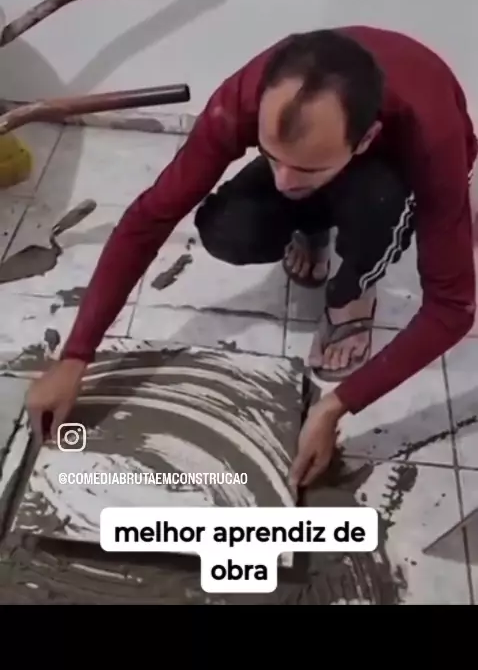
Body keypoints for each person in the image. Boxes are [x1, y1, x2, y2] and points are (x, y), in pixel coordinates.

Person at [26, 26, 477, 488]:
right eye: (271, 156)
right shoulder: (245, 96)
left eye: (305, 168)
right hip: (333, 150)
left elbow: (453, 307)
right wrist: (75, 356)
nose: (282, 183)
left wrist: (336, 404)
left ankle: (355, 290)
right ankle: (314, 221)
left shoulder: (431, 135)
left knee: (376, 203)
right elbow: (149, 218)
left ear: (364, 140)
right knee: (228, 230)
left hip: (393, 173)